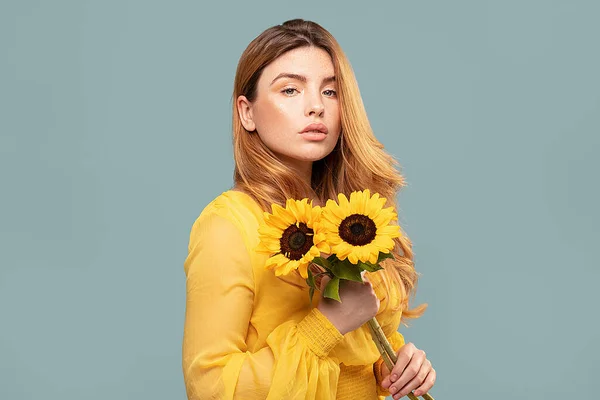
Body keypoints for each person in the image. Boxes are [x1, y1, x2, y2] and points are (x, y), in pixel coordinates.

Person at [182, 19, 436, 400]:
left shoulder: (354, 217)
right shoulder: (227, 226)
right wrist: (326, 324)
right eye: (290, 89)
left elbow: (356, 353)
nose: (316, 107)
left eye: (331, 92)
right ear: (246, 112)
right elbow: (210, 389)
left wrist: (394, 363)